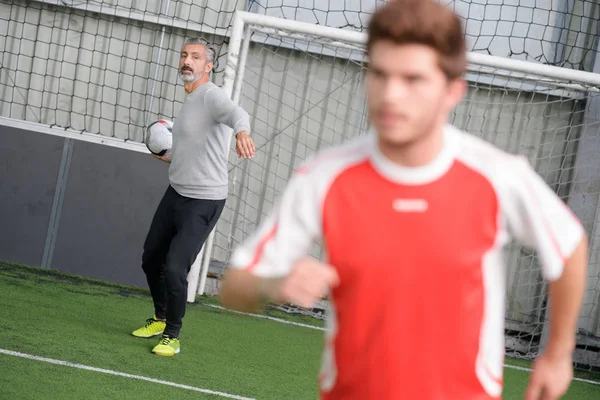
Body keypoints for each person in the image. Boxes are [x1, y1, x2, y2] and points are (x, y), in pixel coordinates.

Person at [218, 1, 588, 399]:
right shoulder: (326, 177)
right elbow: (235, 286)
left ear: (452, 90)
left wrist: (558, 352)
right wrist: (274, 284)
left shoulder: (496, 176)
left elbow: (568, 244)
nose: (390, 95)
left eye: (413, 79)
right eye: (380, 74)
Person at [132, 37, 255, 357]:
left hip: (204, 200)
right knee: (151, 259)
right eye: (185, 55)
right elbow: (194, 147)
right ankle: (160, 318)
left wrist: (242, 131)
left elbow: (235, 112)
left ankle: (173, 334)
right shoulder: (189, 101)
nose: (187, 61)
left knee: (174, 268)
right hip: (176, 193)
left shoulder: (211, 95)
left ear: (208, 66)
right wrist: (171, 156)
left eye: (196, 57)